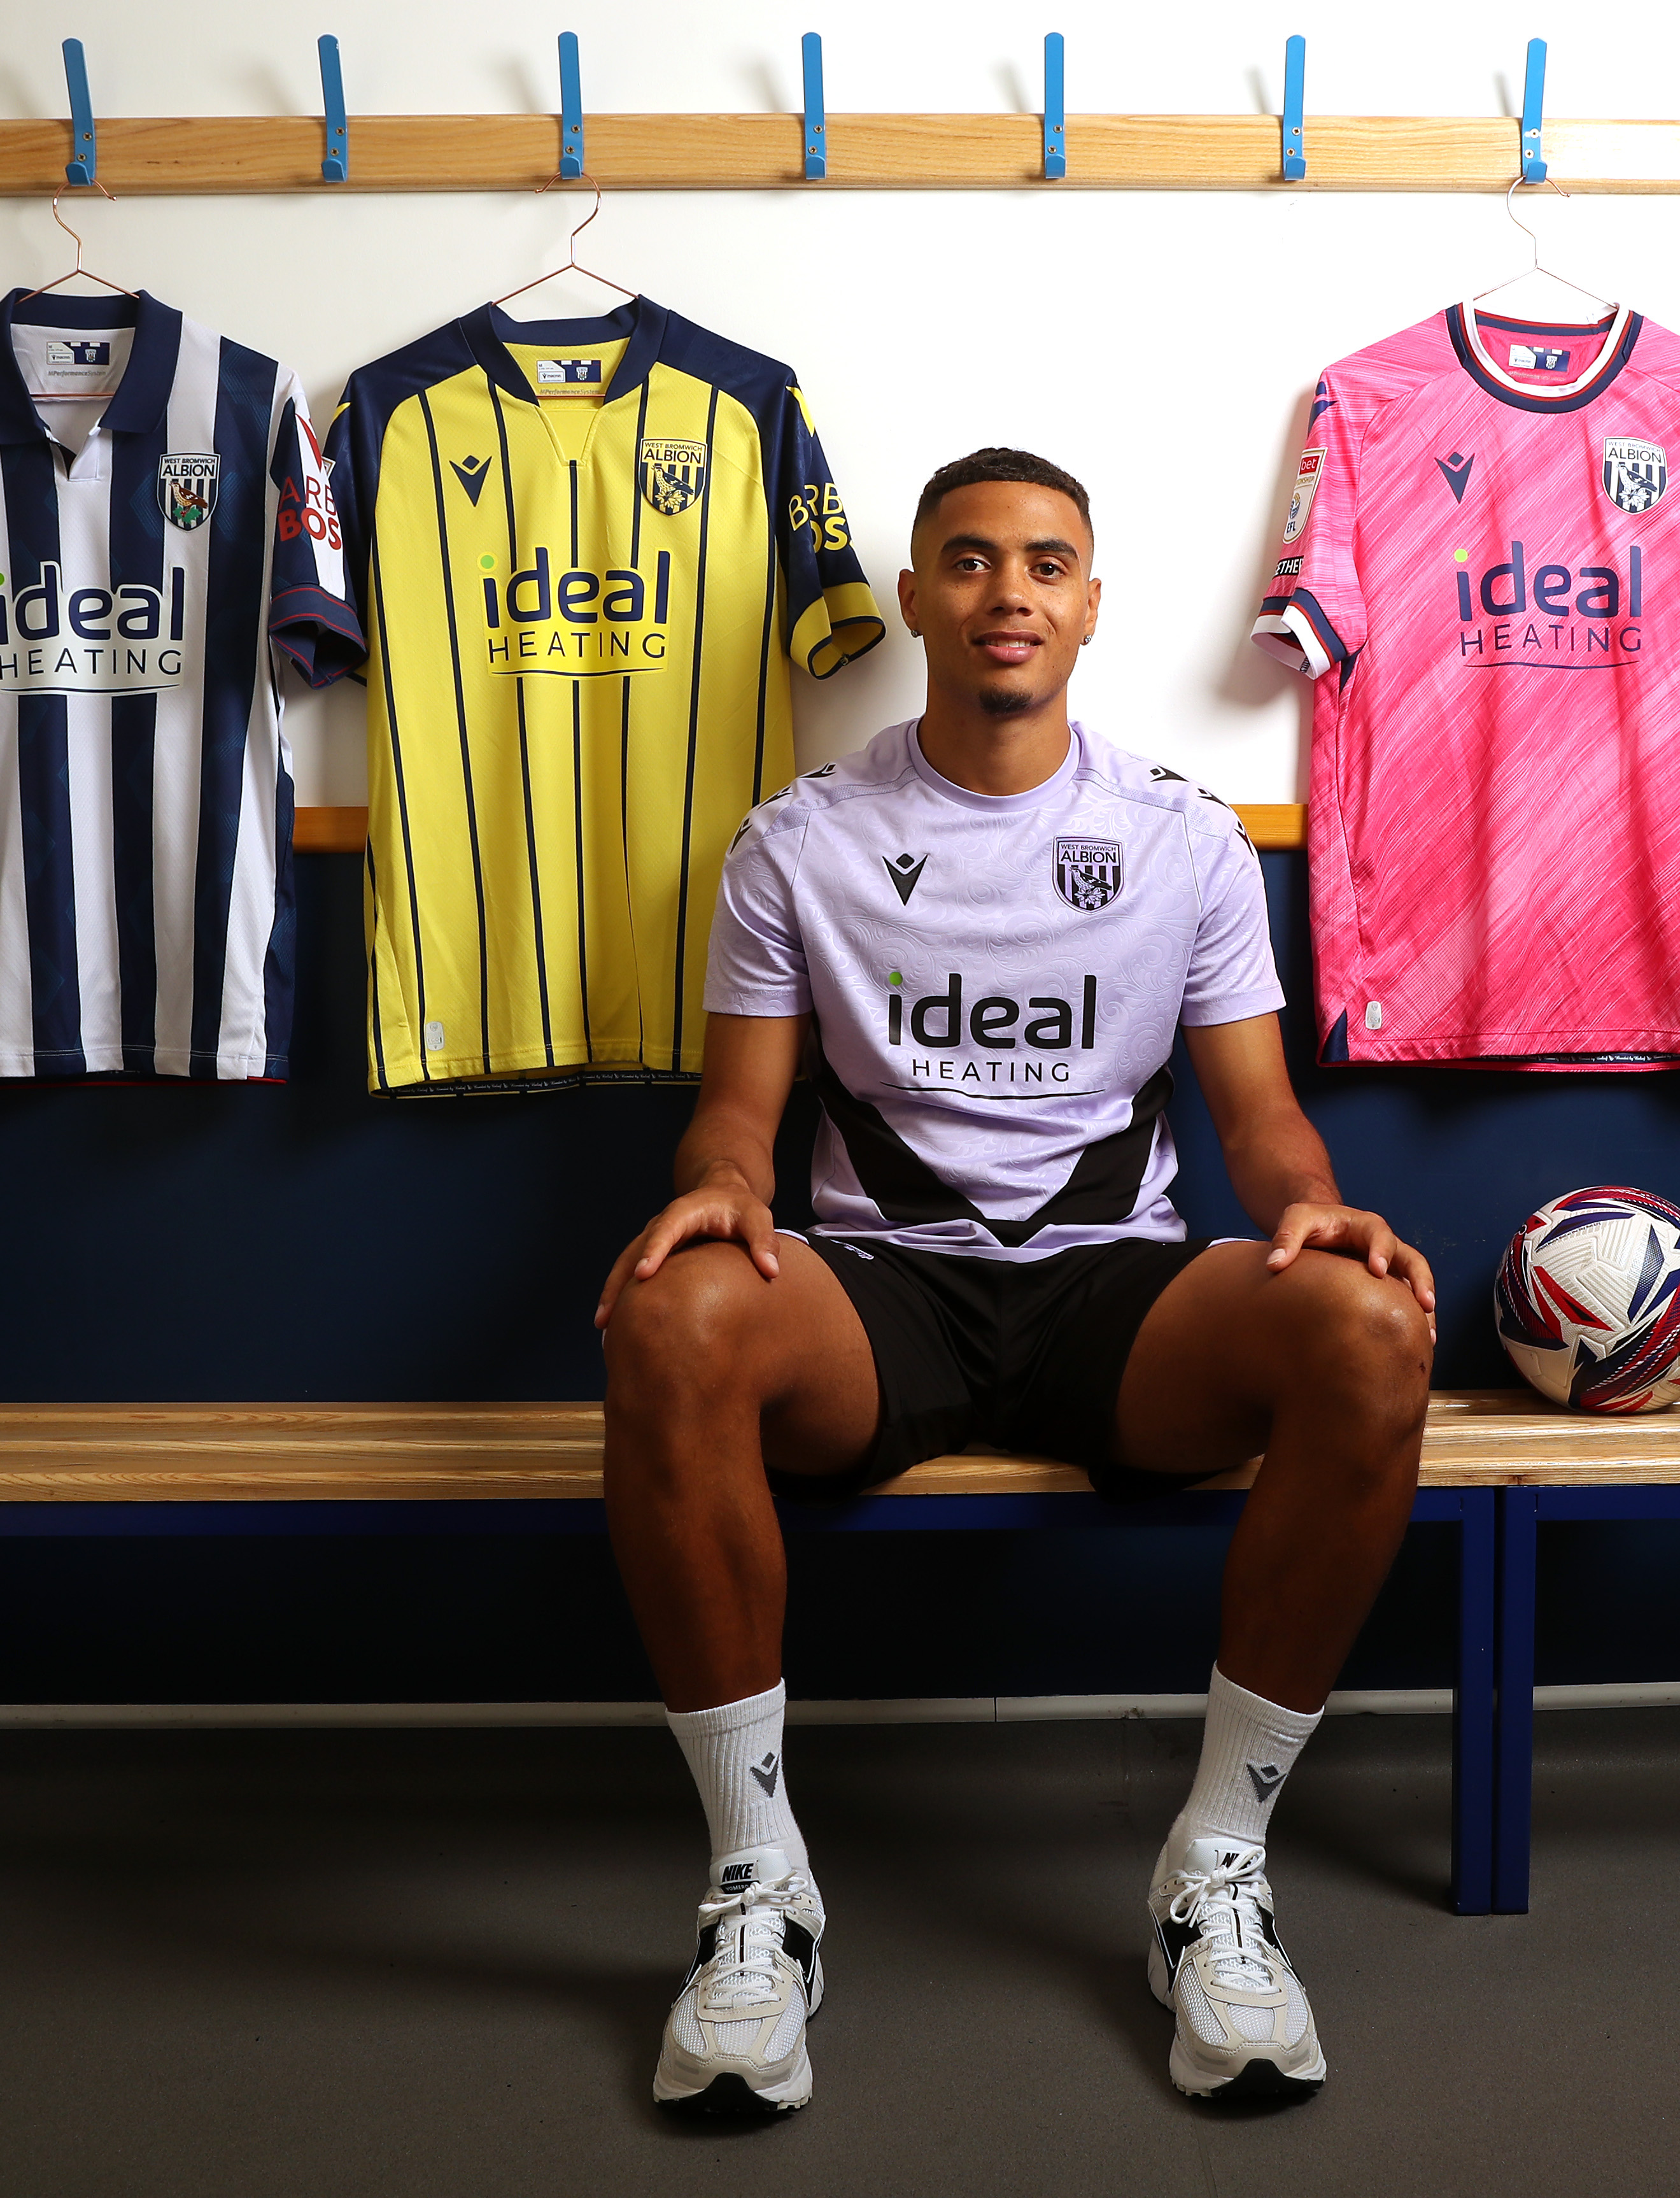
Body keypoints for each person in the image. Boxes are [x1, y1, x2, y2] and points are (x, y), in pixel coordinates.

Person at [594, 448, 1437, 2115]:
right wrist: (703, 1198)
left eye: (1043, 563)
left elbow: (1260, 1122)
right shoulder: (797, 843)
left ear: (1089, 606)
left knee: (1369, 1320)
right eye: (968, 561)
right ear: (915, 598)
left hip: (1112, 1303)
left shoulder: (1179, 838)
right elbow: (737, 1120)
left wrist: (1320, 1210)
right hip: (876, 1296)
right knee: (669, 1310)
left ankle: (1214, 1865)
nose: (1006, 592)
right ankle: (759, 1886)